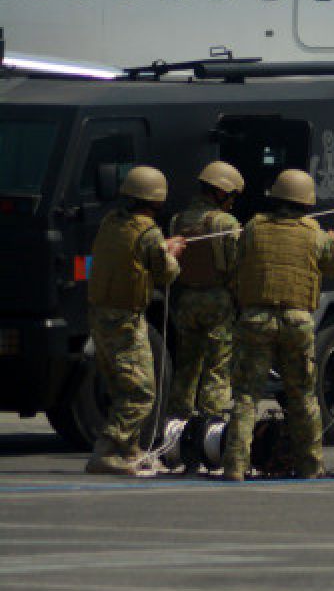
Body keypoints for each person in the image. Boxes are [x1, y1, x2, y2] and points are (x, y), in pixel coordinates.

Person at [221, 169, 334, 481]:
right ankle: (310, 465)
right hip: (296, 322)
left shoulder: (253, 228)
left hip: (255, 320)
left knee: (246, 396)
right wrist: (330, 242)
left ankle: (235, 466)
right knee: (302, 395)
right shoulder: (314, 234)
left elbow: (236, 263)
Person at [85, 166, 186, 475]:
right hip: (126, 320)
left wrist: (160, 248)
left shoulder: (111, 222)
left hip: (100, 315)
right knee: (141, 392)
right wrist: (173, 253)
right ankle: (106, 450)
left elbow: (134, 254)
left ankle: (129, 450)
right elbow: (166, 273)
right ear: (156, 199)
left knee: (121, 386)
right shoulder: (149, 232)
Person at [166, 161, 244, 421]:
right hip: (217, 302)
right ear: (220, 192)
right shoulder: (226, 222)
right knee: (217, 367)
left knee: (186, 367)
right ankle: (213, 426)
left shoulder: (178, 221)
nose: (233, 201)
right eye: (231, 195)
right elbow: (237, 267)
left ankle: (176, 426)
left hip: (186, 301)